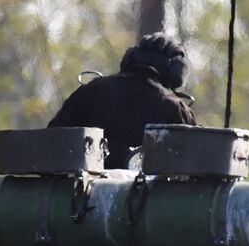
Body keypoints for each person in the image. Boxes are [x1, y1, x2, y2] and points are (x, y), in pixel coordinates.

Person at [49, 33, 195, 169]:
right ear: (177, 72)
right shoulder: (175, 108)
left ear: (130, 57)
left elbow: (51, 144)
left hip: (83, 194)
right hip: (152, 196)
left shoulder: (90, 91)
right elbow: (194, 165)